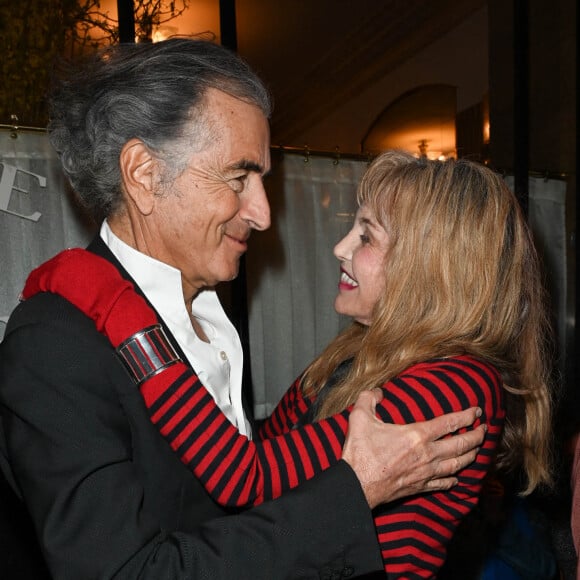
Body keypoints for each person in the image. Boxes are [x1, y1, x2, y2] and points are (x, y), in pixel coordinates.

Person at [0, 38, 486, 579]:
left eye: (263, 180)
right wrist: (354, 489)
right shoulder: (55, 342)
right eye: (239, 177)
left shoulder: (212, 322)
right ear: (144, 174)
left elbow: (248, 493)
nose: (262, 213)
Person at [21, 150, 553, 577]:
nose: (341, 248)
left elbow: (240, 475)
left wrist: (113, 303)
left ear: (432, 265)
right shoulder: (351, 359)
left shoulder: (456, 388)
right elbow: (262, 458)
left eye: (367, 235)